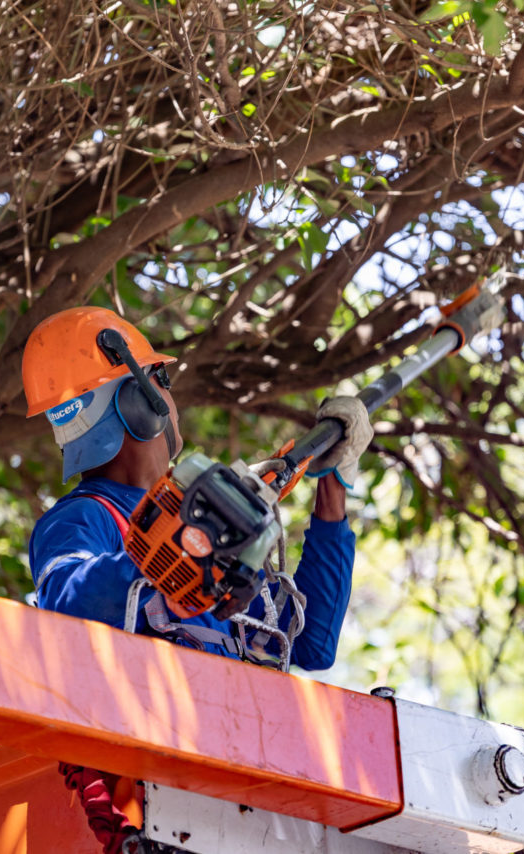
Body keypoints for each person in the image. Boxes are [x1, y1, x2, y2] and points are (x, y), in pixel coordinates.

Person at [20, 306, 372, 853]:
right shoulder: (85, 518)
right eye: (161, 379)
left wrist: (332, 487)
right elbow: (68, 601)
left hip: (236, 793)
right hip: (155, 804)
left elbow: (312, 642)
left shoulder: (205, 538)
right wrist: (172, 553)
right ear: (142, 400)